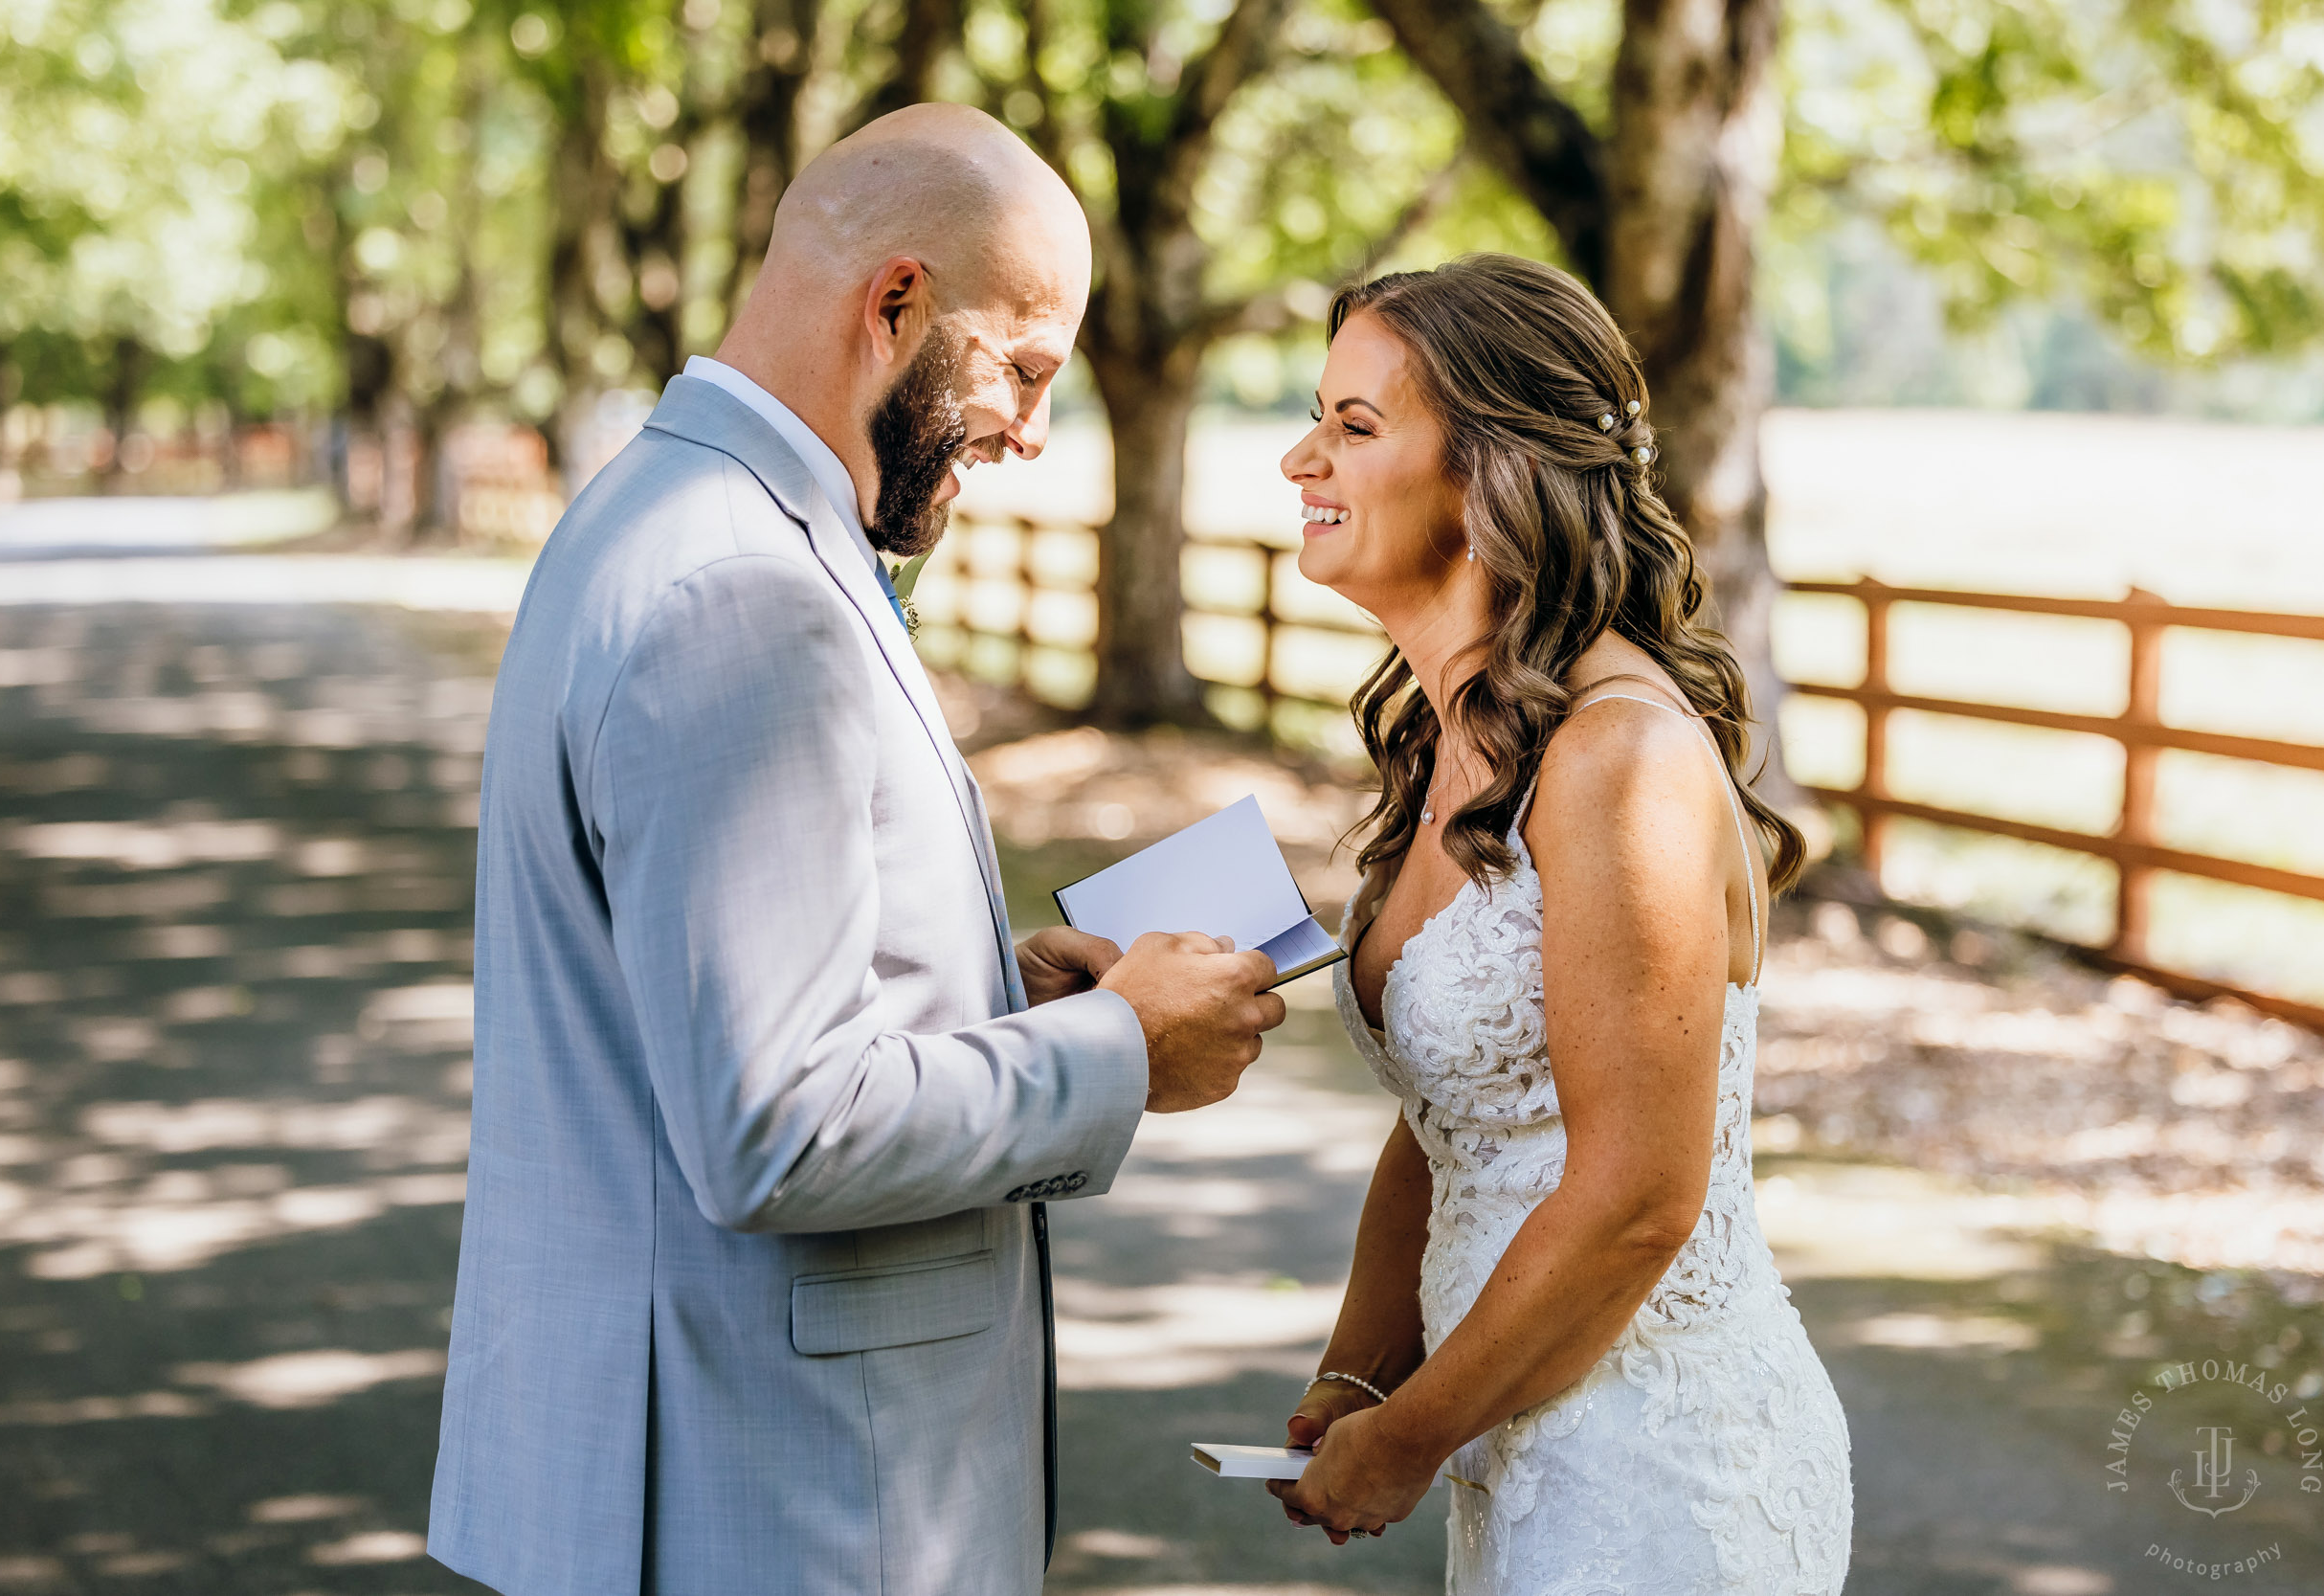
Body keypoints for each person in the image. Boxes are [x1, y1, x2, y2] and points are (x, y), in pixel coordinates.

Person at [427, 103, 1285, 1596]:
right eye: (1022, 369)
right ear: (895, 305)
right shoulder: (747, 593)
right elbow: (780, 1127)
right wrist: (1122, 1048)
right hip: (774, 1494)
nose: (1029, 429)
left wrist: (999, 983)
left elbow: (691, 994)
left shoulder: (660, 510)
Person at [1265, 255, 1853, 1593]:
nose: (1304, 457)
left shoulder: (1618, 760)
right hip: (1527, 1439)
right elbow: (1453, 1122)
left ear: (1490, 473)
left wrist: (1408, 1435)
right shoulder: (1461, 743)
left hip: (1660, 1466)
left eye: (1356, 427)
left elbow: (1642, 1196)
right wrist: (1360, 1368)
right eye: (1318, 414)